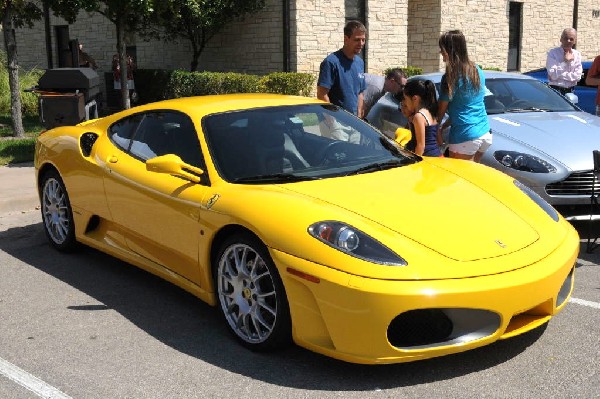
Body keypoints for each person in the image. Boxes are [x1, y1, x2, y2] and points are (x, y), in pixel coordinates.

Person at [436, 30, 491, 162]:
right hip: (484, 132)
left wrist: (436, 129)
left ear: (449, 50)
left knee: (460, 179)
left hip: (465, 136)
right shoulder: (476, 69)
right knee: (472, 176)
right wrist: (445, 126)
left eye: (442, 49)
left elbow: (440, 112)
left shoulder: (450, 76)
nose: (440, 53)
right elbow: (466, 105)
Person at [317, 20, 367, 117]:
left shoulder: (360, 63)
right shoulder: (331, 62)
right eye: (357, 40)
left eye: (363, 40)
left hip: (354, 122)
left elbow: (360, 92)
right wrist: (330, 119)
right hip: (335, 122)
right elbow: (321, 94)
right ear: (346, 39)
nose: (361, 43)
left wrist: (359, 116)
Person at [401, 79, 442, 157]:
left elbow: (421, 146)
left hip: (428, 158)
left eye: (406, 99)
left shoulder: (419, 116)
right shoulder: (429, 111)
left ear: (415, 99)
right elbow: (439, 141)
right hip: (436, 155)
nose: (405, 102)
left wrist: (415, 163)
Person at [546, 28, 582, 95]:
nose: (568, 41)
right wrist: (565, 62)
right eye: (566, 38)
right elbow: (553, 75)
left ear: (575, 41)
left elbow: (578, 77)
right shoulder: (553, 53)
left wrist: (559, 75)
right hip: (555, 91)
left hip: (571, 91)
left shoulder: (577, 54)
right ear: (561, 39)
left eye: (571, 39)